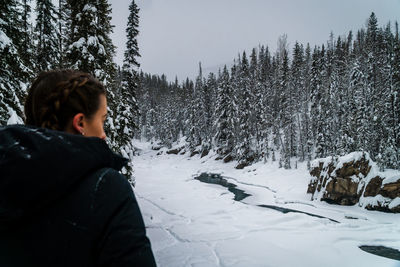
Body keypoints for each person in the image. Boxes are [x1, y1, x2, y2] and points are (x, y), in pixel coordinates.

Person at [0, 70, 157, 266]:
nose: (104, 135)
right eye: (102, 120)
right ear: (80, 123)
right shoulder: (106, 189)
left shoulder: (6, 179)